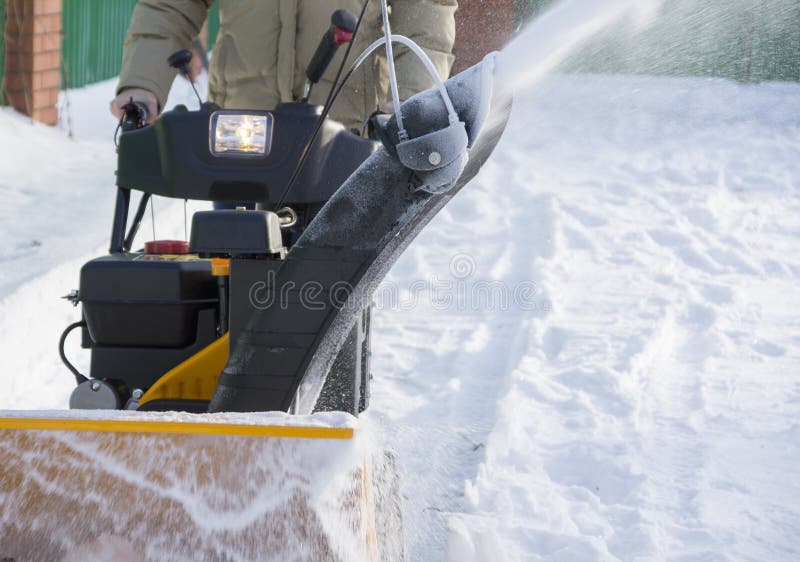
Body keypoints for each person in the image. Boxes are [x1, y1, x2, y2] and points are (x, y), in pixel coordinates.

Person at [110, 0, 458, 132]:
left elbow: (425, 16)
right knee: (229, 270)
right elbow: (168, 8)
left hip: (344, 132)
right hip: (239, 130)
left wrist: (412, 98)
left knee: (333, 283)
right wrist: (142, 84)